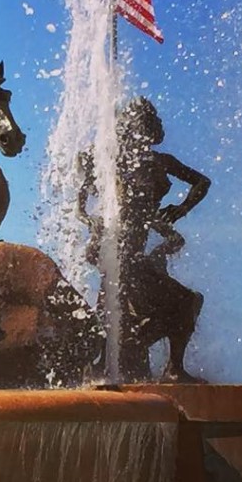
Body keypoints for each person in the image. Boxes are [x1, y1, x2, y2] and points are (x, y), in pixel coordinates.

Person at [79, 97, 210, 382]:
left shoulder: (161, 162)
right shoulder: (112, 160)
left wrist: (180, 209)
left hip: (132, 256)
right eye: (141, 121)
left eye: (148, 122)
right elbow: (83, 188)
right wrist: (90, 221)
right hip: (118, 253)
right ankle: (165, 365)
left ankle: (154, 358)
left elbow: (203, 182)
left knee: (182, 303)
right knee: (185, 302)